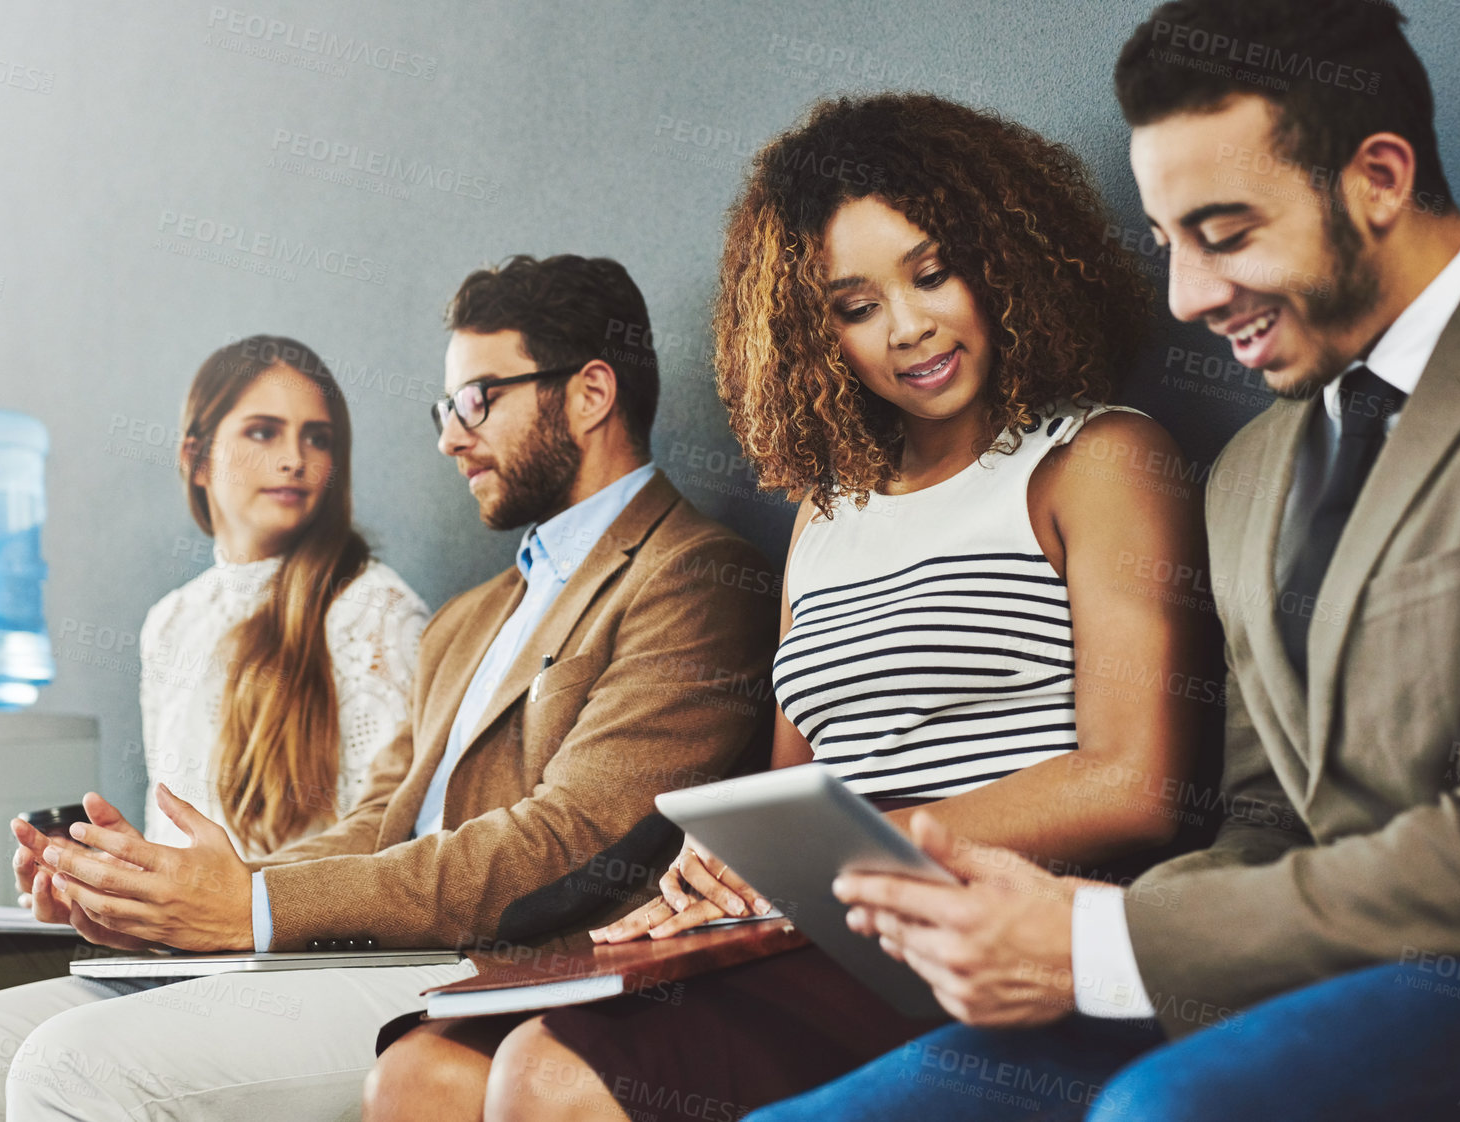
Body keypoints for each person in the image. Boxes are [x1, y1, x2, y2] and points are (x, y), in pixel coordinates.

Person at [746, 2, 1460, 1119]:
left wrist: (1103, 939)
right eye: (1168, 246)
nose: (1187, 299)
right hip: (1251, 975)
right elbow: (1262, 822)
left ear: (1379, 178)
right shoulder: (1250, 468)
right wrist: (1036, 932)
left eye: (1227, 235)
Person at [366, 92, 1215, 1122]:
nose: (907, 328)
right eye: (856, 306)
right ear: (818, 334)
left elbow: (1137, 785)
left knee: (546, 1076)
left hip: (984, 932)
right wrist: (722, 874)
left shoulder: (1098, 460)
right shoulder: (825, 517)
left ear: (1002, 259)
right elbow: (789, 800)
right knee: (423, 1072)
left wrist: (852, 866)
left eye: (932, 272)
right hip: (818, 928)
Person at [0, 255, 778, 1120]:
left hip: (500, 970)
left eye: (478, 400)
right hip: (367, 949)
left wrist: (250, 907)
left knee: (74, 1063)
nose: (451, 438)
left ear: (590, 392)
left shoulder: (695, 577)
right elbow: (376, 823)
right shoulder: (469, 616)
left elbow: (568, 845)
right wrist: (161, 890)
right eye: (444, 408)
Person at [0, 334, 429, 1122]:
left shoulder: (376, 611)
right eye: (263, 432)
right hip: (167, 939)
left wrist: (226, 895)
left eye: (318, 438)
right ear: (197, 457)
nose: (295, 460)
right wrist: (96, 886)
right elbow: (168, 827)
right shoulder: (170, 624)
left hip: (272, 943)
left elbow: (390, 837)